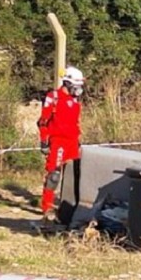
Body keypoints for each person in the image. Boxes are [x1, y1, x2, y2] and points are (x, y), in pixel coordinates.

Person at [38, 66, 84, 228]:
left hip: (73, 141)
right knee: (54, 175)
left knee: (75, 175)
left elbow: (75, 121)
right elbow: (43, 121)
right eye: (76, 86)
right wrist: (44, 141)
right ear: (67, 82)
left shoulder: (75, 100)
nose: (78, 90)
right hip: (57, 141)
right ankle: (47, 207)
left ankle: (69, 207)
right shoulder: (53, 97)